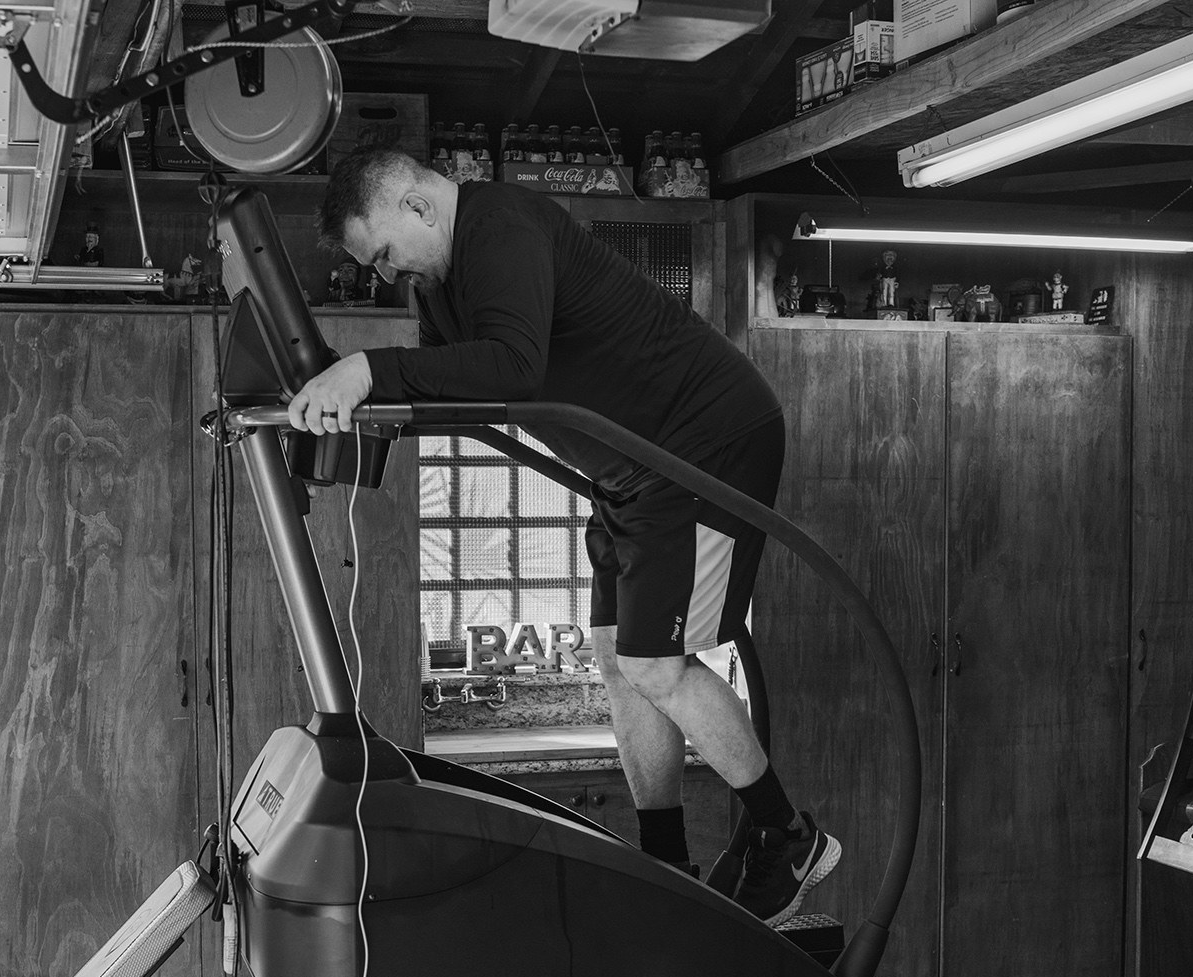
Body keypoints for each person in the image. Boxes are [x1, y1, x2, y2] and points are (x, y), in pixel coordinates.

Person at [290, 147, 840, 925]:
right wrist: (358, 408)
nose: (384, 274)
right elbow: (458, 384)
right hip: (632, 470)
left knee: (656, 663)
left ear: (416, 206)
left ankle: (789, 838)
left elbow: (513, 367)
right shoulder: (442, 281)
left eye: (382, 253)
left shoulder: (501, 228)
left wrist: (372, 371)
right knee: (619, 660)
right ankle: (664, 860)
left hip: (700, 444)